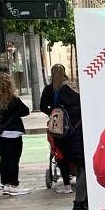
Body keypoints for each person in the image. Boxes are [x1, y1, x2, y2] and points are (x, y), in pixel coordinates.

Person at [0, 73, 31, 196]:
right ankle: (14, 185)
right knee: (14, 159)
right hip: (12, 132)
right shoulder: (12, 98)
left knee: (4, 159)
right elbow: (25, 111)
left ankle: (6, 184)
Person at [56, 78, 89, 210]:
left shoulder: (61, 105)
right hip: (80, 142)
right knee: (84, 173)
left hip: (66, 144)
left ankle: (82, 202)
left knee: (82, 172)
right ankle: (79, 204)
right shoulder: (80, 105)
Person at [41, 64, 73, 194]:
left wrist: (52, 112)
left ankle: (66, 184)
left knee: (59, 152)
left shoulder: (49, 89)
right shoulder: (71, 87)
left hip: (56, 124)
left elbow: (42, 106)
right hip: (72, 123)